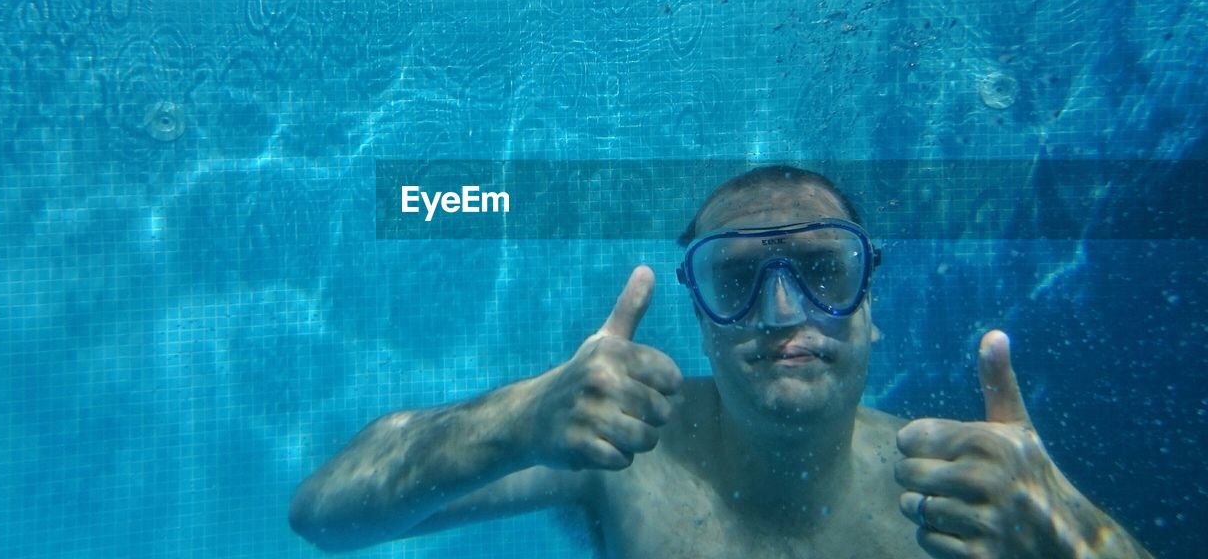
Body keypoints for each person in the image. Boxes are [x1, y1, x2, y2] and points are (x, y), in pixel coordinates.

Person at [289, 165, 1154, 558]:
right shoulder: (625, 463)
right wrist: (514, 422)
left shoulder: (955, 492)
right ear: (700, 323)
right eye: (736, 279)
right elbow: (325, 516)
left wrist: (1079, 542)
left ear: (873, 306)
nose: (782, 314)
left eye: (823, 272)